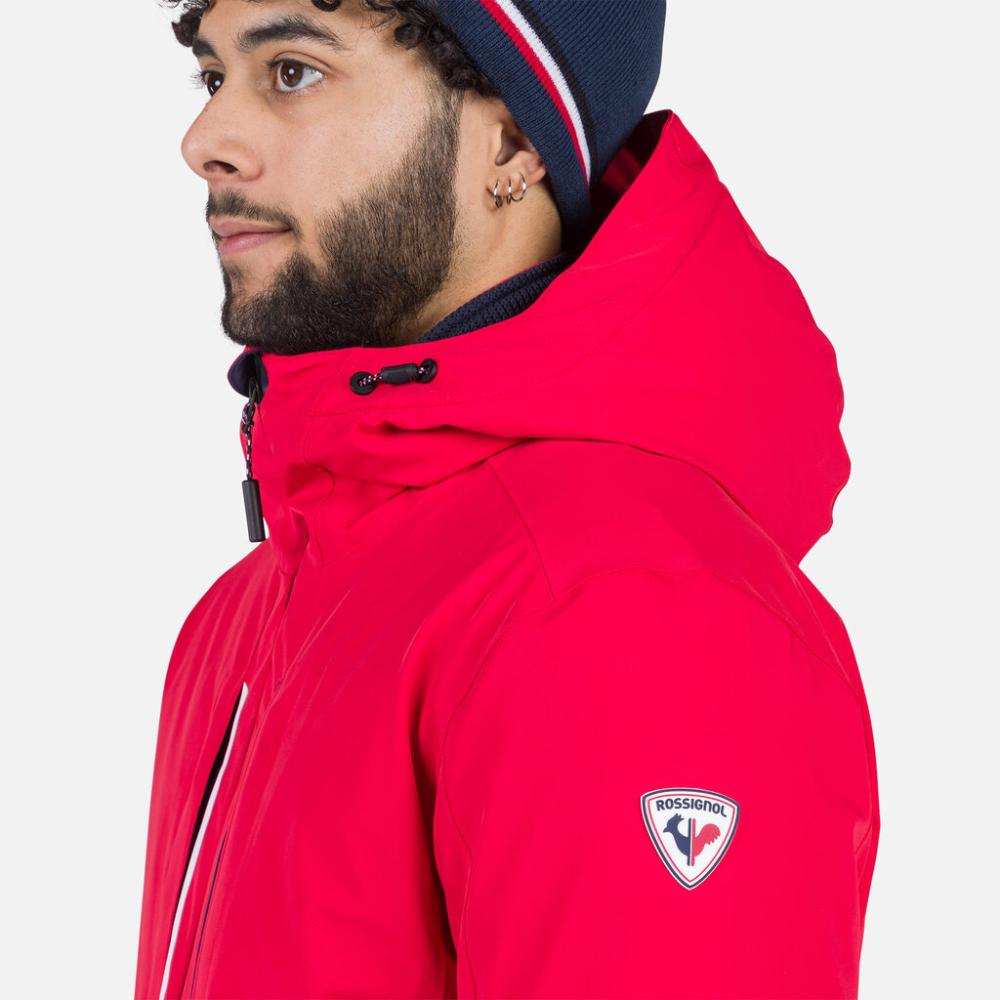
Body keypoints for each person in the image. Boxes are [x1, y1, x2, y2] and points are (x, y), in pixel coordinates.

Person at [134, 1, 881, 997]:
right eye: (213, 75)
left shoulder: (618, 607)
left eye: (294, 71)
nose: (205, 140)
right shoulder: (252, 609)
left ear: (513, 142)